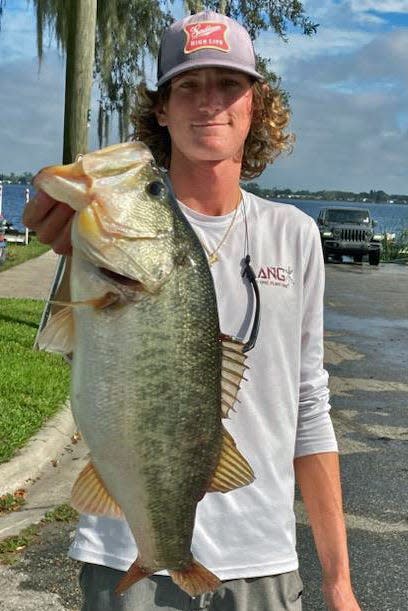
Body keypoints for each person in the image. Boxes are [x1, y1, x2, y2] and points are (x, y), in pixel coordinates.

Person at [24, 10, 361, 611]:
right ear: (161, 107)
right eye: (188, 85)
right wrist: (61, 223)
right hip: (121, 551)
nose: (210, 102)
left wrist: (339, 585)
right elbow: (63, 338)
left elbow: (310, 408)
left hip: (263, 559)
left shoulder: (296, 235)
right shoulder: (101, 238)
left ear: (256, 103)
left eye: (229, 84)